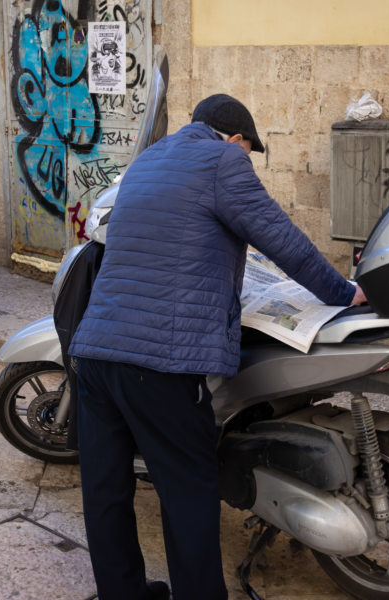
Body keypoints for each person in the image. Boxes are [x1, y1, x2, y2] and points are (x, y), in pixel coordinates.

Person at [68, 93, 366, 600]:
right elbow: (282, 239)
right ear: (234, 138)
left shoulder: (146, 160)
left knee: (105, 490)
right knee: (187, 493)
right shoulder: (224, 160)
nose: (247, 161)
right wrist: (343, 292)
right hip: (160, 364)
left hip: (95, 354)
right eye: (250, 151)